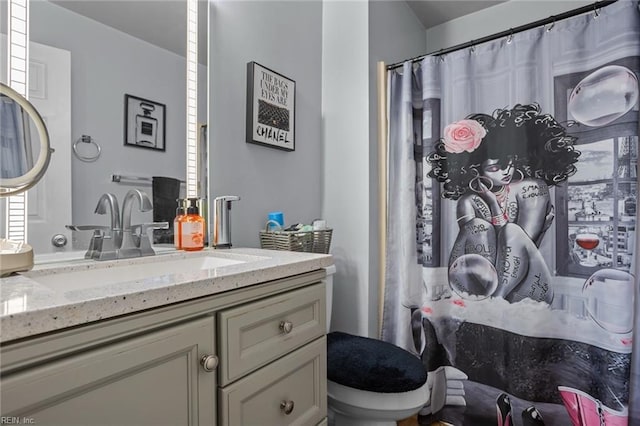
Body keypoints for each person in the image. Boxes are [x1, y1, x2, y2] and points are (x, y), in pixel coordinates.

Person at [427, 103, 580, 303]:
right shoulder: (468, 201)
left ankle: (493, 304)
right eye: (496, 167)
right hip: (483, 285)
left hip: (526, 284)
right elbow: (477, 260)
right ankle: (484, 301)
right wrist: (491, 202)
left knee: (512, 232)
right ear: (474, 171)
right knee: (477, 226)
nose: (506, 171)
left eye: (510, 162)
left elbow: (520, 245)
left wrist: (494, 206)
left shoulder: (531, 188)